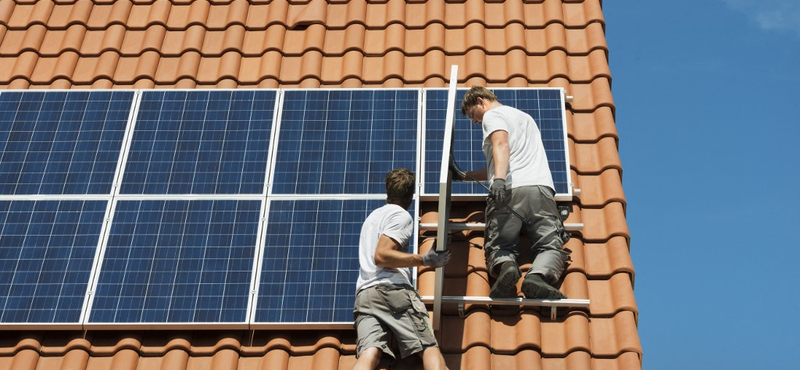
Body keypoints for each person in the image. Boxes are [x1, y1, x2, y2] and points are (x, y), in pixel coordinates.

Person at [452, 86, 570, 300]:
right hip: (540, 190)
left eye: (472, 114)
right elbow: (505, 157)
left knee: (500, 244)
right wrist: (464, 176)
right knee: (550, 244)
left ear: (481, 101)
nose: (474, 121)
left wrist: (498, 180)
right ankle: (537, 276)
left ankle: (506, 268)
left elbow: (501, 144)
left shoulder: (492, 115)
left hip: (510, 192)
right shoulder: (525, 118)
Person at [353, 168, 451, 370]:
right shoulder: (401, 216)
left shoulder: (371, 218)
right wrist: (424, 260)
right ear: (411, 194)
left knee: (369, 353)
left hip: (365, 296)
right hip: (391, 290)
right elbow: (382, 256)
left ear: (388, 191)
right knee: (429, 346)